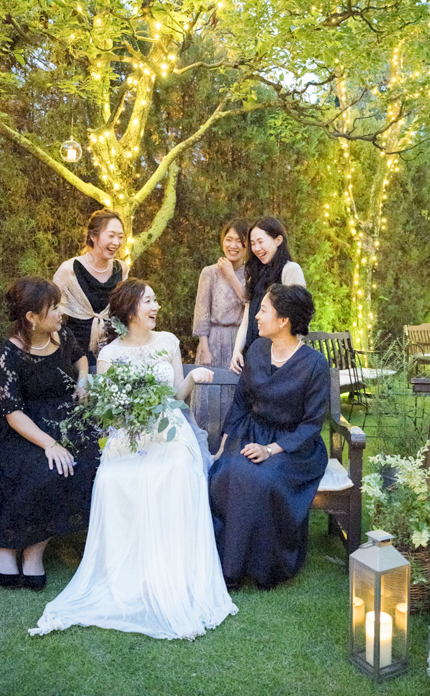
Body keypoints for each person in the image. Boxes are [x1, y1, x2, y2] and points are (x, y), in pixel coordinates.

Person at [29, 279, 237, 640]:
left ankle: (171, 574)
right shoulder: (110, 353)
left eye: (156, 299)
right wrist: (129, 412)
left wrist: (192, 378)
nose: (156, 307)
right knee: (113, 478)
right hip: (128, 434)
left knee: (176, 469)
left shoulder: (168, 342)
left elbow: (175, 397)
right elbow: (111, 412)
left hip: (169, 430)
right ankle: (127, 578)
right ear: (129, 310)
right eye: (148, 301)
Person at [0, 277, 100, 590]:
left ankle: (34, 551)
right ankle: (5, 545)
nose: (61, 312)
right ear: (31, 317)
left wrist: (82, 380)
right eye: (54, 307)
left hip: (66, 422)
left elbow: (81, 359)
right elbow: (12, 412)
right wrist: (49, 444)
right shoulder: (9, 352)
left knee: (79, 466)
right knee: (43, 469)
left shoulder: (62, 334)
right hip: (25, 429)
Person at [209, 284, 329, 590]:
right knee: (225, 473)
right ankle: (226, 564)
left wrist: (271, 450)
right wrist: (223, 445)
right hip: (252, 432)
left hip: (294, 448)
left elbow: (311, 425)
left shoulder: (315, 365)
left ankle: (265, 568)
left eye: (263, 310)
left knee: (263, 479)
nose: (257, 317)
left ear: (284, 320)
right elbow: (241, 402)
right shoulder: (258, 350)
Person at [191, 218, 248, 432]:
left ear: (247, 245)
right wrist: (204, 348)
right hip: (213, 340)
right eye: (229, 239)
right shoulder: (209, 272)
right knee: (206, 397)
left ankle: (230, 445)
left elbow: (249, 301)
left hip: (238, 342)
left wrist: (231, 275)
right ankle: (204, 445)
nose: (233, 245)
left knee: (234, 398)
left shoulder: (251, 272)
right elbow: (201, 312)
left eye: (239, 241)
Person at [230, 216, 305, 374]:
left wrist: (289, 359)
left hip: (279, 359)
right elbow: (247, 319)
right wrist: (237, 350)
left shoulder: (290, 270)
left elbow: (299, 318)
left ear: (278, 240)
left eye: (260, 241)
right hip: (253, 355)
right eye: (252, 243)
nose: (256, 248)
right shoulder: (254, 275)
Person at [53, 209, 129, 365]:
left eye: (120, 237)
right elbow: (51, 313)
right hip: (74, 356)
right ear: (93, 236)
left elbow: (125, 314)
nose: (116, 242)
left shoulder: (122, 270)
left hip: (112, 356)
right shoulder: (69, 270)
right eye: (111, 235)